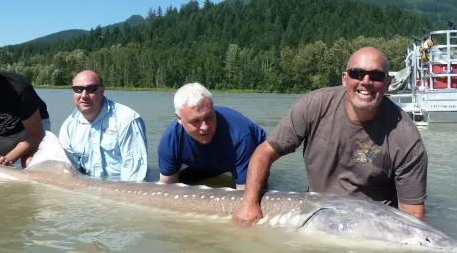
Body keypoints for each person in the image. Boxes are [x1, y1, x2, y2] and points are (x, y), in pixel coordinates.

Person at [233, 46, 428, 223]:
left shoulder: (406, 138)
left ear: (387, 83)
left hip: (370, 222)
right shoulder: (314, 105)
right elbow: (264, 152)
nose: (366, 82)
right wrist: (249, 203)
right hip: (316, 212)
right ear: (345, 79)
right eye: (357, 73)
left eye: (375, 76)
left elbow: (412, 216)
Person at [158, 82, 266, 189]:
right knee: (183, 182)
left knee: (257, 192)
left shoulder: (241, 136)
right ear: (179, 118)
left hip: (247, 150)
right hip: (206, 160)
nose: (204, 127)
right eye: (195, 121)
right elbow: (166, 188)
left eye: (209, 117)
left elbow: (246, 196)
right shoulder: (170, 140)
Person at [59, 70, 148, 182]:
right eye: (78, 89)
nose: (84, 95)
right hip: (88, 190)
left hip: (122, 190)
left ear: (102, 90)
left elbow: (135, 177)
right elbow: (71, 173)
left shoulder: (127, 119)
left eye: (91, 89)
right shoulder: (68, 127)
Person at [0, 54, 50, 167]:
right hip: (0, 134)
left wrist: (7, 159)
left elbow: (35, 134)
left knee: (28, 162)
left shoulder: (19, 88)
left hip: (33, 129)